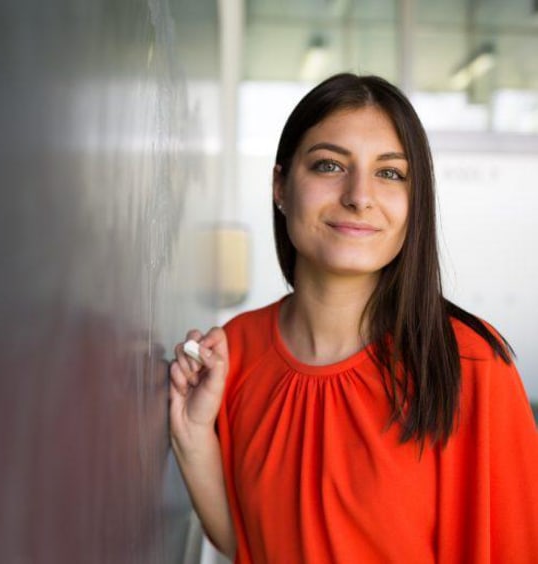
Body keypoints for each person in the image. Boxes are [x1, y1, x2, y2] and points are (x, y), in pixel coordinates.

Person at [169, 73, 538, 563]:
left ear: (415, 202)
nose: (359, 196)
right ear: (280, 186)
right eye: (329, 165)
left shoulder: (470, 361)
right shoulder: (235, 352)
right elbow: (250, 545)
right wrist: (193, 437)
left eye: (390, 174)